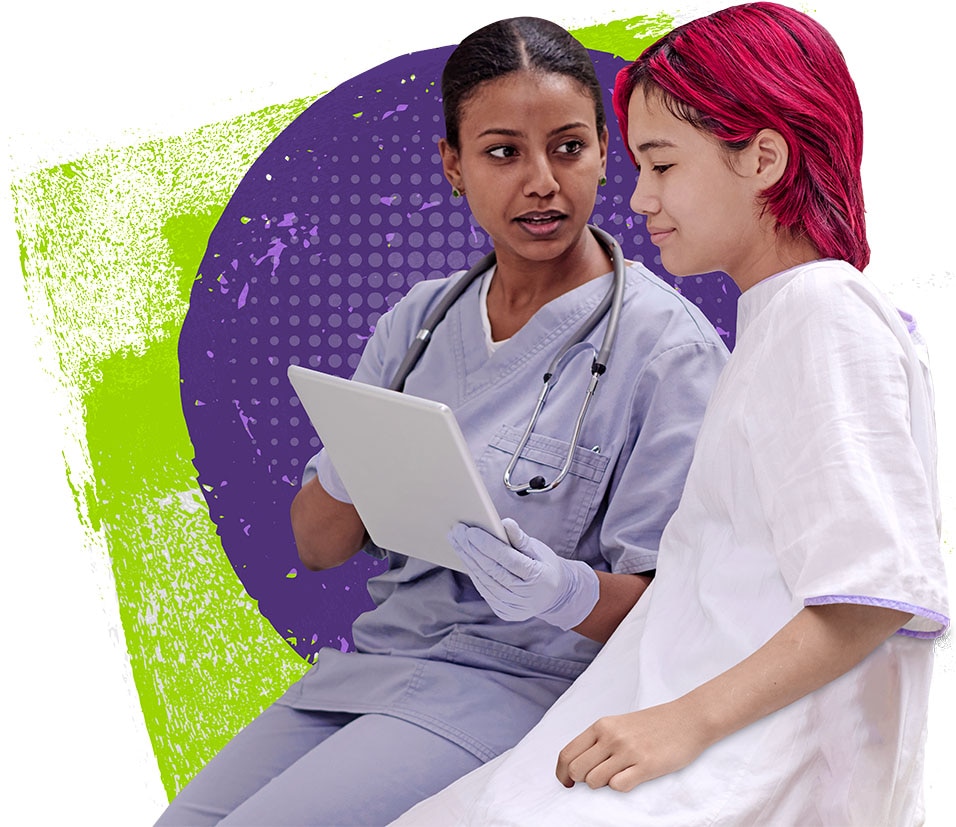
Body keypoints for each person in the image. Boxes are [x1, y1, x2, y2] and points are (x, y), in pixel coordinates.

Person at [156, 17, 728, 826]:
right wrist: (357, 460)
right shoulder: (419, 321)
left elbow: (682, 615)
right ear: (452, 166)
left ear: (606, 152)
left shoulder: (666, 350)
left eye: (568, 147)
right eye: (503, 152)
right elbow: (317, 546)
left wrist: (559, 591)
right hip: (378, 664)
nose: (542, 181)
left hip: (518, 683)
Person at [389, 4, 951, 825]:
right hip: (677, 716)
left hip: (741, 757)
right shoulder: (781, 316)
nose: (641, 197)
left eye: (662, 165)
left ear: (762, 157)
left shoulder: (823, 314)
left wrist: (680, 723)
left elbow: (872, 595)